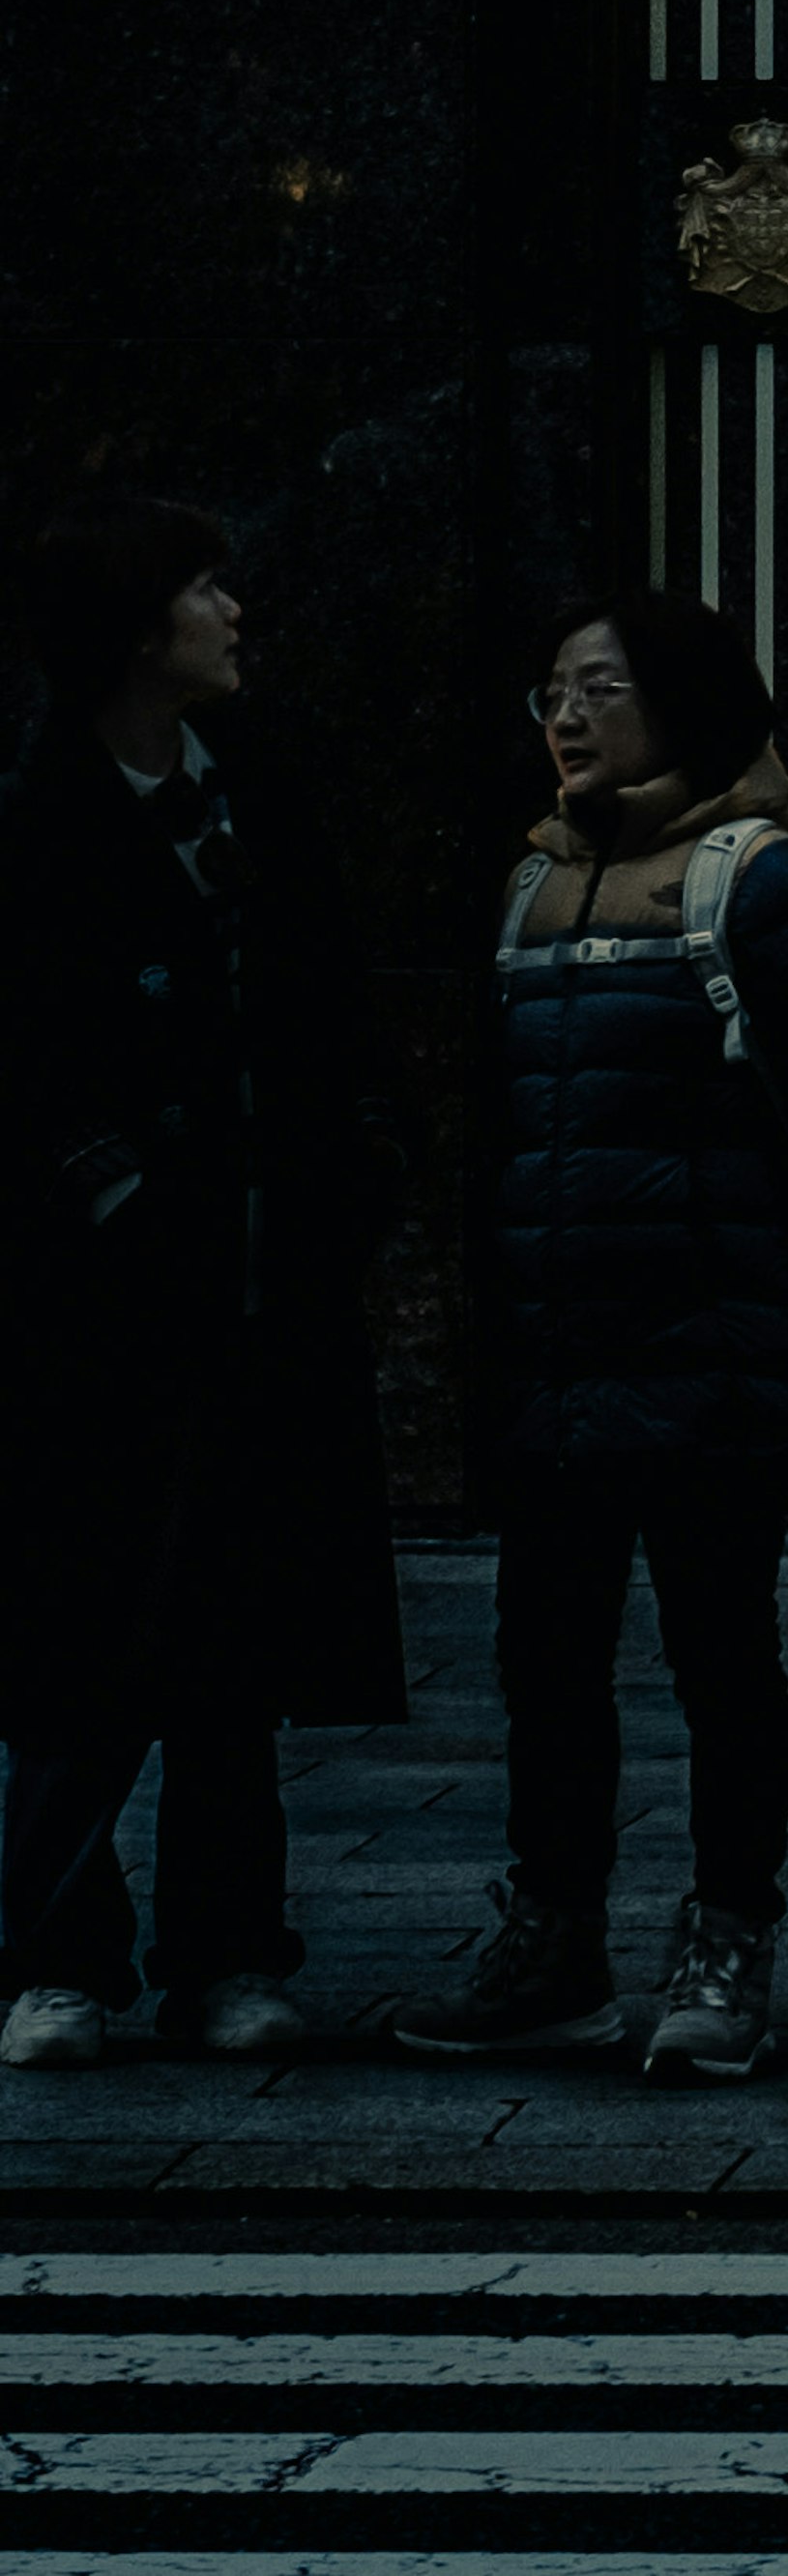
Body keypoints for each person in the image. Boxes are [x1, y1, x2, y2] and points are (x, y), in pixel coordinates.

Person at [393, 591, 788, 2081]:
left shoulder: (759, 886)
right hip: (558, 1363)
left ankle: (727, 1936)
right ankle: (555, 1934)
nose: (564, 717)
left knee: (720, 1657)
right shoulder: (527, 887)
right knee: (546, 1656)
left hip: (712, 1363)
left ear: (684, 704)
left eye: (600, 688)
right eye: (550, 692)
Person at [0, 499, 402, 2072]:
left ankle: (229, 1945)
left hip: (255, 1283)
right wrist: (112, 1190)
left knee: (229, 1642)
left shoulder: (266, 797)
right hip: (87, 1304)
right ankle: (62, 1953)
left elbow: (329, 1011)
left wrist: (341, 1176)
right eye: (199, 587)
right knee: (73, 1636)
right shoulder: (37, 823)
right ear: (130, 627)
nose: (232, 609)